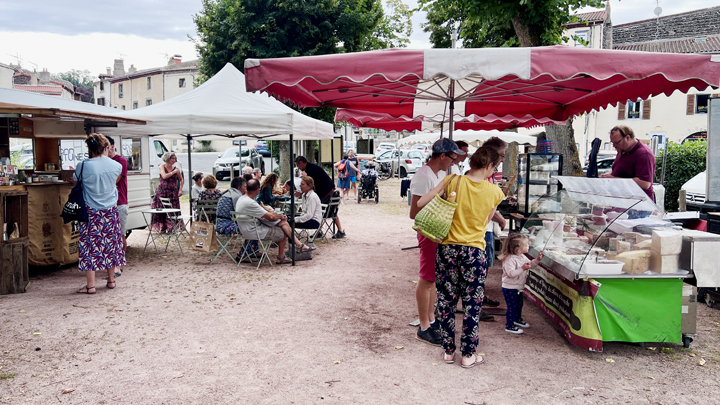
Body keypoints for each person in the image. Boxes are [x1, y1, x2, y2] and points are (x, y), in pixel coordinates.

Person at [418, 146, 505, 368]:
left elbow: (420, 203)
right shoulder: (495, 192)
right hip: (474, 251)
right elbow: (486, 223)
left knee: (446, 302)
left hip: (447, 249)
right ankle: (468, 355)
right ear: (488, 166)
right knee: (472, 304)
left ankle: (448, 352)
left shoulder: (453, 180)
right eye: (494, 167)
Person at [409, 138, 462, 346]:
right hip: (427, 230)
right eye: (452, 157)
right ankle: (423, 327)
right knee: (426, 278)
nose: (454, 161)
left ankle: (431, 319)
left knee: (432, 280)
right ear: (442, 156)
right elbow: (414, 212)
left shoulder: (438, 174)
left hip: (435, 230)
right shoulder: (424, 176)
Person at [75, 134, 125, 294]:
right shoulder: (116, 165)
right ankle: (111, 281)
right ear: (106, 147)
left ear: (89, 148)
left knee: (89, 246)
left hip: (90, 212)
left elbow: (76, 180)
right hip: (110, 210)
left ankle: (91, 285)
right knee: (110, 244)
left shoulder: (82, 166)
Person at [235, 179, 312, 264]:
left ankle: (298, 245)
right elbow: (270, 216)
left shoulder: (241, 199)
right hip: (254, 231)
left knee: (282, 223)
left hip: (245, 229)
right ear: (257, 190)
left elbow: (264, 215)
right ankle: (283, 256)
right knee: (282, 231)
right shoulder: (250, 203)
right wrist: (281, 216)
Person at [499, 233, 543, 334]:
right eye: (527, 245)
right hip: (509, 287)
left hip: (518, 287)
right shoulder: (509, 260)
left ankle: (517, 319)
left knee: (519, 304)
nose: (529, 246)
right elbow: (511, 274)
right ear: (518, 249)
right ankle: (509, 325)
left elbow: (530, 265)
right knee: (512, 306)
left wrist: (537, 260)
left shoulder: (522, 256)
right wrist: (522, 268)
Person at [294, 156, 346, 239]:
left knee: (324, 211)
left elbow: (311, 186)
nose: (298, 168)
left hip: (326, 192)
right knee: (330, 211)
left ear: (302, 163)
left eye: (298, 165)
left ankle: (325, 230)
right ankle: (321, 230)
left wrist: (302, 194)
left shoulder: (311, 169)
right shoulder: (311, 168)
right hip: (327, 191)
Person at [600, 125, 656, 201]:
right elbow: (619, 170)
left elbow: (645, 183)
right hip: (622, 201)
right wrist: (607, 175)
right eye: (612, 143)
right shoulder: (622, 150)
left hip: (639, 205)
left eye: (616, 143)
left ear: (627, 138)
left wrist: (614, 179)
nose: (614, 146)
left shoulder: (644, 154)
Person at [106, 137, 128, 277]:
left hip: (120, 202)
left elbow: (115, 180)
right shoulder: (102, 162)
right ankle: (111, 264)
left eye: (106, 146)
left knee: (120, 234)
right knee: (109, 236)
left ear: (112, 146)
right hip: (106, 203)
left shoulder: (121, 161)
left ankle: (119, 264)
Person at [150, 152, 183, 232]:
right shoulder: (162, 166)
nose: (174, 160)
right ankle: (163, 226)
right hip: (162, 191)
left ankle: (171, 227)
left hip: (172, 192)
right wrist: (173, 172)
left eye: (175, 159)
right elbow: (164, 176)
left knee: (172, 209)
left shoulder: (176, 169)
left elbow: (181, 179)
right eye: (172, 158)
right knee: (161, 209)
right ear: (168, 159)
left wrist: (180, 189)